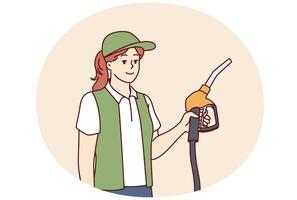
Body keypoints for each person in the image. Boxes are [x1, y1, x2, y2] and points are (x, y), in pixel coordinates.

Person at [76, 31, 209, 197]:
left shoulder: (144, 101)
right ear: (109, 64)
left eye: (135, 61)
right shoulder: (93, 101)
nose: (131, 66)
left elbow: (151, 150)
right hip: (108, 190)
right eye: (124, 61)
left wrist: (182, 127)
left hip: (143, 190)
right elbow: (85, 160)